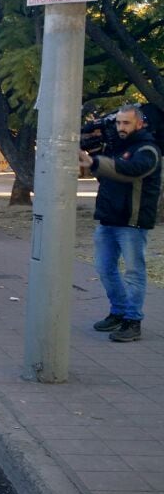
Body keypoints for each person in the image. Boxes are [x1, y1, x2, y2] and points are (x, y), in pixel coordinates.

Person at [79, 104, 162, 343]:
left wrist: (94, 162)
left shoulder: (148, 150)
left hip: (132, 222)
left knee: (134, 272)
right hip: (108, 219)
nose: (120, 127)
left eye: (126, 123)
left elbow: (130, 170)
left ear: (140, 123)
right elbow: (107, 174)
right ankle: (118, 312)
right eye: (118, 123)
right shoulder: (116, 147)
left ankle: (132, 321)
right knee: (105, 268)